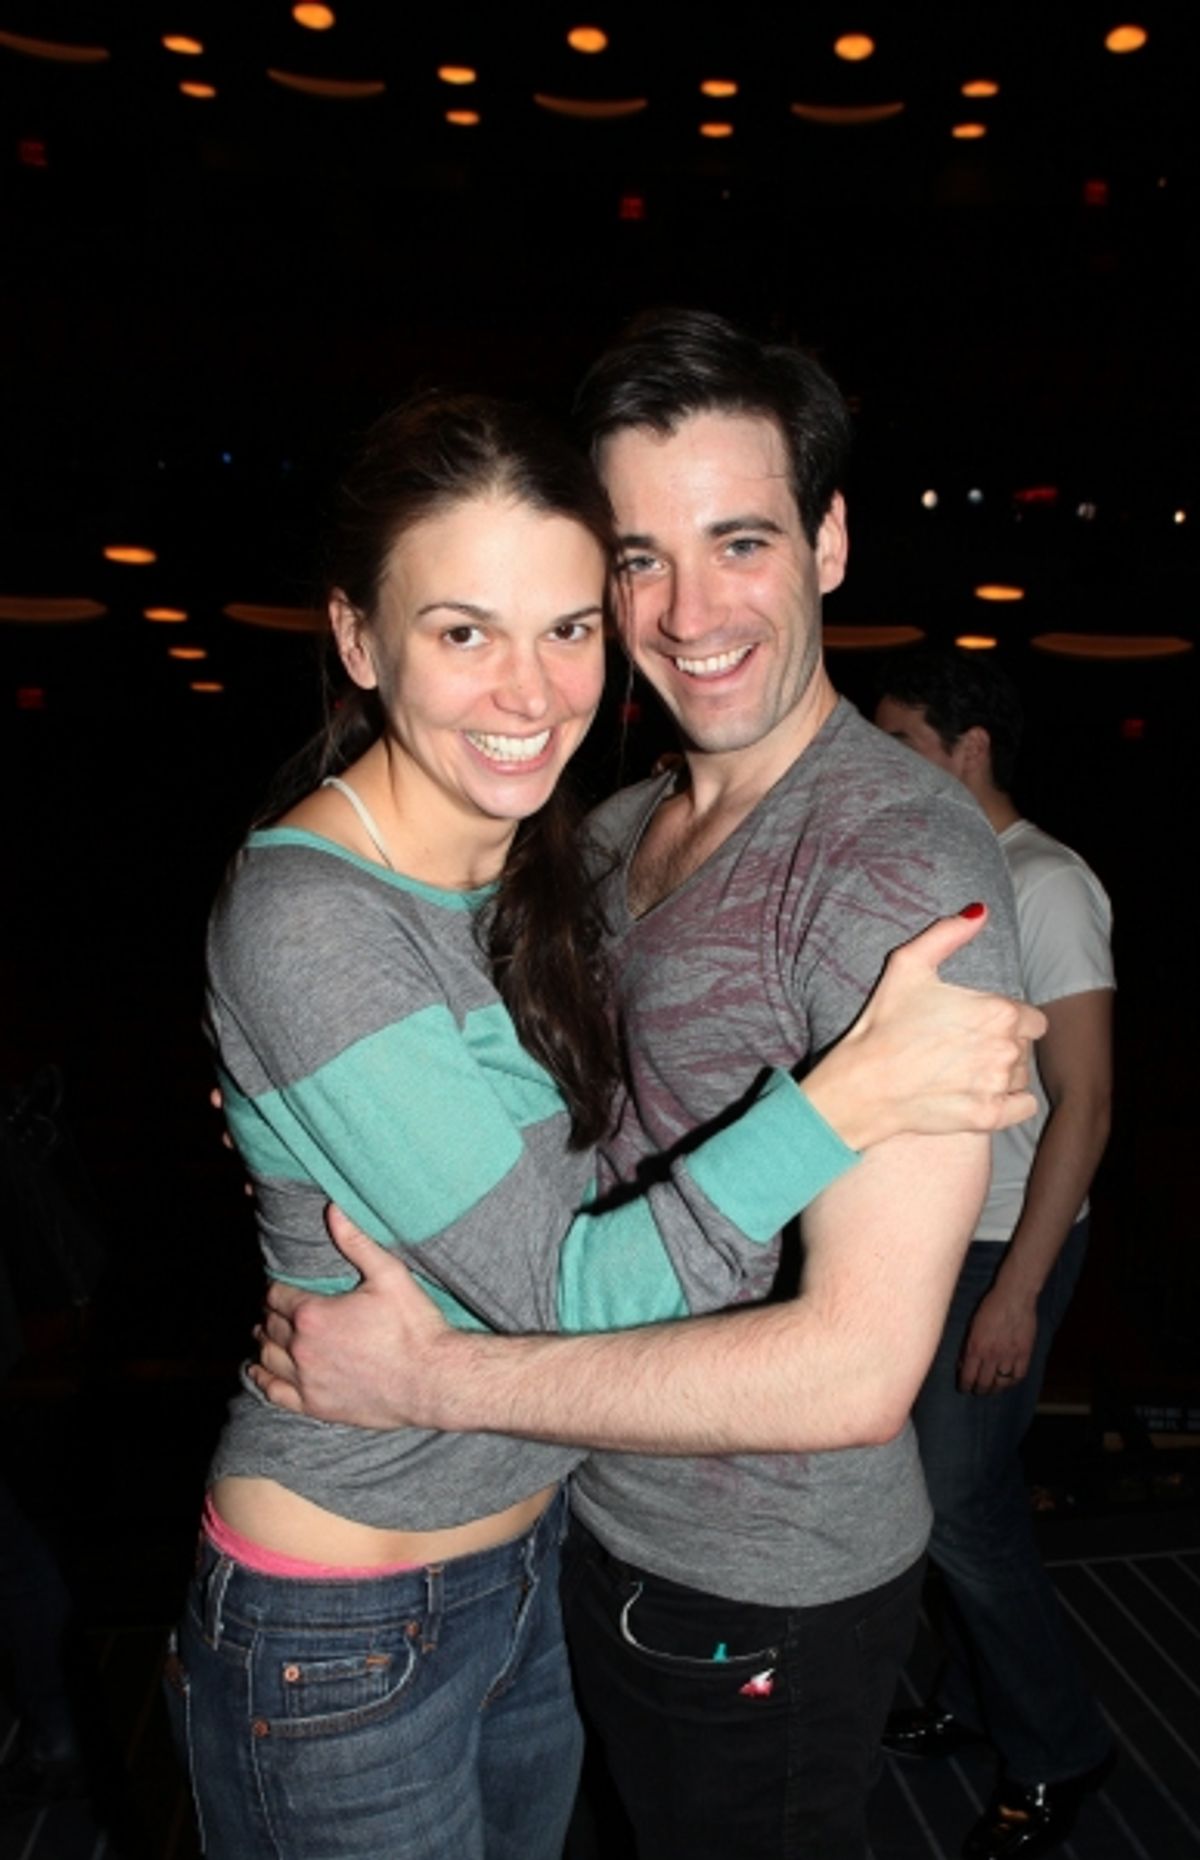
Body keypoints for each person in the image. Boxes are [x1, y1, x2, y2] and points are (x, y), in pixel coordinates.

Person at [171, 391, 1040, 1860]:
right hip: (346, 1619)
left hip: (548, 1565)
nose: (529, 691)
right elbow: (560, 1293)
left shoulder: (551, 862)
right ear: (358, 639)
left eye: (565, 626)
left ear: (830, 541)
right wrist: (839, 1105)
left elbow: (834, 1355)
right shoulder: (357, 909)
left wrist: (431, 1365)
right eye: (463, 632)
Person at [874, 647, 1116, 1860]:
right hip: (930, 1237)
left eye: (902, 740)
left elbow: (1086, 1101)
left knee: (959, 1510)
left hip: (1004, 1247)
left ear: (967, 747)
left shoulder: (1048, 883)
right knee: (944, 1503)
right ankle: (975, 1701)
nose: (881, 765)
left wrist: (1016, 1291)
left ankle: (1061, 1746)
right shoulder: (944, 877)